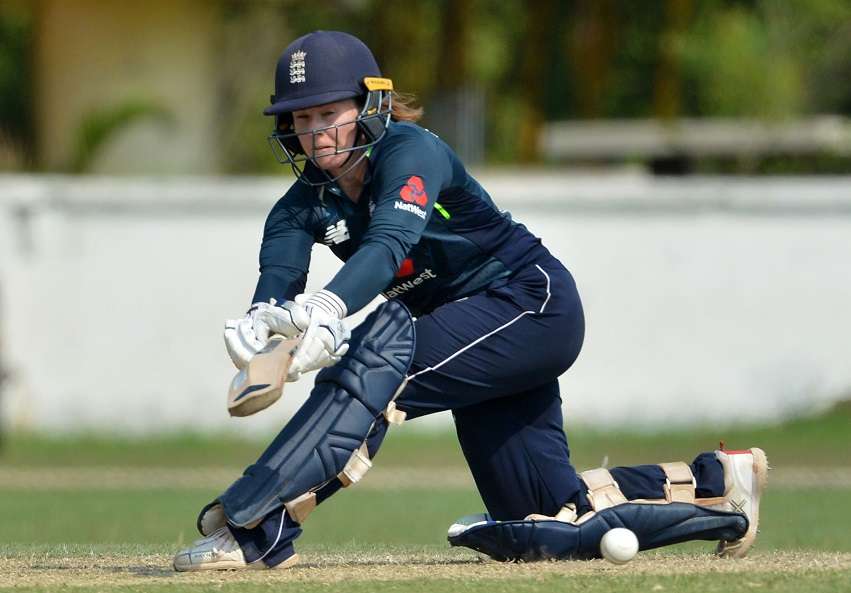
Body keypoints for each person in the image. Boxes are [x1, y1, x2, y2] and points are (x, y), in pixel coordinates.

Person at [172, 31, 767, 571]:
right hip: (467, 334)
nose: (315, 132)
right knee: (547, 519)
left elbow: (388, 243)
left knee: (375, 364)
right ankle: (718, 484)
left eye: (330, 113)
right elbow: (278, 279)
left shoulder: (412, 153)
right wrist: (262, 326)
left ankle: (257, 526)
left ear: (370, 107)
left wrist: (327, 312)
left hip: (529, 304)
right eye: (301, 118)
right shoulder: (298, 206)